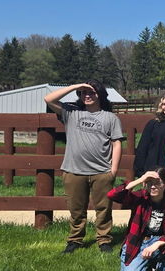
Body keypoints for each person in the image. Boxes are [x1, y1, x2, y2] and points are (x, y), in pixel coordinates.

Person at [44, 81, 125, 254]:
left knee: (103, 209)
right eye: (83, 93)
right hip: (74, 170)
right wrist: (76, 86)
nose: (87, 96)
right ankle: (75, 240)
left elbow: (116, 143)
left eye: (92, 93)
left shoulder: (110, 118)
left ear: (100, 95)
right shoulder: (71, 112)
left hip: (102, 171)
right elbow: (48, 99)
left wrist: (114, 170)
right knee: (76, 209)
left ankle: (104, 240)